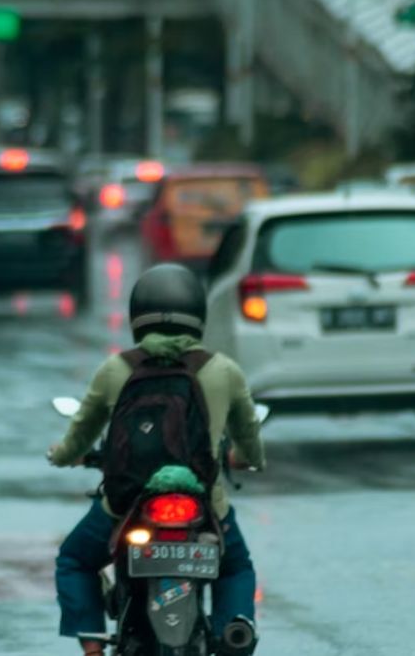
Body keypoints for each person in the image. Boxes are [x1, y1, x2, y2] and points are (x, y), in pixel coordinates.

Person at [47, 263, 266, 655]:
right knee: (234, 567)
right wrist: (246, 458)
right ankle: (234, 631)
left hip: (126, 504)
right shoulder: (223, 371)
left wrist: (62, 455)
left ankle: (94, 646)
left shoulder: (116, 369)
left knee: (75, 560)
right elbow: (249, 435)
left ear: (138, 315)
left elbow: (81, 430)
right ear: (197, 314)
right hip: (204, 506)